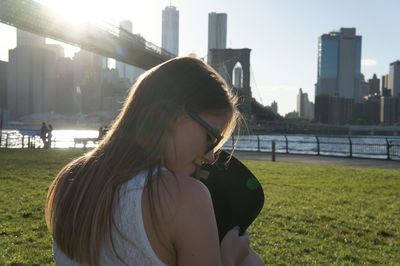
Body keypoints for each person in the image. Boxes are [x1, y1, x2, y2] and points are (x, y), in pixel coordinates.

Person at [46, 57, 264, 265]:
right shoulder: (186, 197)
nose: (211, 157)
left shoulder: (68, 180)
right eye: (210, 138)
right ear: (166, 116)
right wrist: (228, 258)